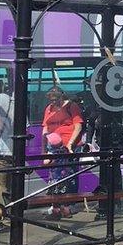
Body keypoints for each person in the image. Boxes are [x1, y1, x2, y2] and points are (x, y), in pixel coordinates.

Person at [41, 87, 84, 219]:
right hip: (53, 146)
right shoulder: (49, 108)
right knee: (54, 176)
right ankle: (55, 206)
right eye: (51, 99)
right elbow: (45, 129)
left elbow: (78, 126)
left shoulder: (72, 106)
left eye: (55, 99)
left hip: (69, 146)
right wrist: (44, 151)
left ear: (62, 96)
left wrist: (70, 143)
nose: (53, 101)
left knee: (69, 175)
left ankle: (68, 206)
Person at [0, 80, 11, 205]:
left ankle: (4, 215)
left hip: (2, 151)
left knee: (1, 187)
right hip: (13, 150)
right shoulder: (14, 101)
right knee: (9, 185)